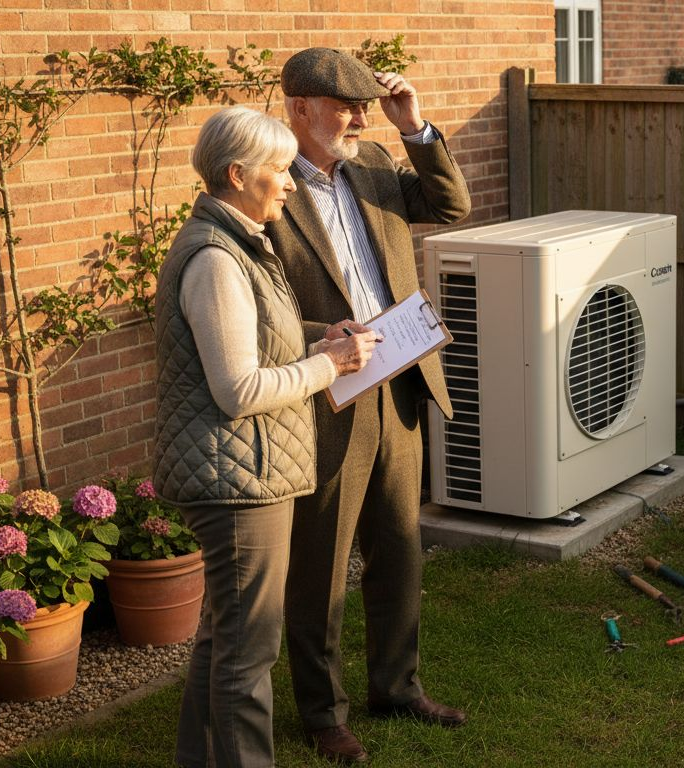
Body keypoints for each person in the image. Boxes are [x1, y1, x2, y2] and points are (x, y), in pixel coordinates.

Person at [152, 105, 382, 768]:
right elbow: (238, 390)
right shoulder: (217, 260)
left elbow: (256, 338)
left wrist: (321, 337)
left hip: (246, 472)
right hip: (235, 482)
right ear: (236, 173)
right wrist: (328, 366)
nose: (289, 182)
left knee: (225, 640)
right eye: (279, 169)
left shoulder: (240, 241)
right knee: (247, 653)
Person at [264, 47, 472, 764]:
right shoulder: (266, 187)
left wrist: (414, 127)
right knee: (318, 564)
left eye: (364, 103)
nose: (359, 115)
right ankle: (323, 713)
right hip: (327, 395)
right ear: (298, 108)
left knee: (400, 547)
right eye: (343, 105)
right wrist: (317, 343)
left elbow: (450, 205)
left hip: (401, 384)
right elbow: (254, 309)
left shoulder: (380, 162)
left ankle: (397, 685)